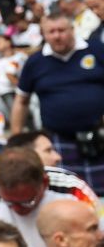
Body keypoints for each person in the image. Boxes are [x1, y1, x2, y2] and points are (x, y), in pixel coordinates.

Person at [12, 12, 104, 195]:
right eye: (51, 32)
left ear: (72, 29)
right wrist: (16, 139)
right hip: (59, 141)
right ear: (44, 34)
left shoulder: (96, 49)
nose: (56, 36)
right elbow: (21, 101)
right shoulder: (35, 62)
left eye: (61, 30)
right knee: (66, 194)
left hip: (99, 136)